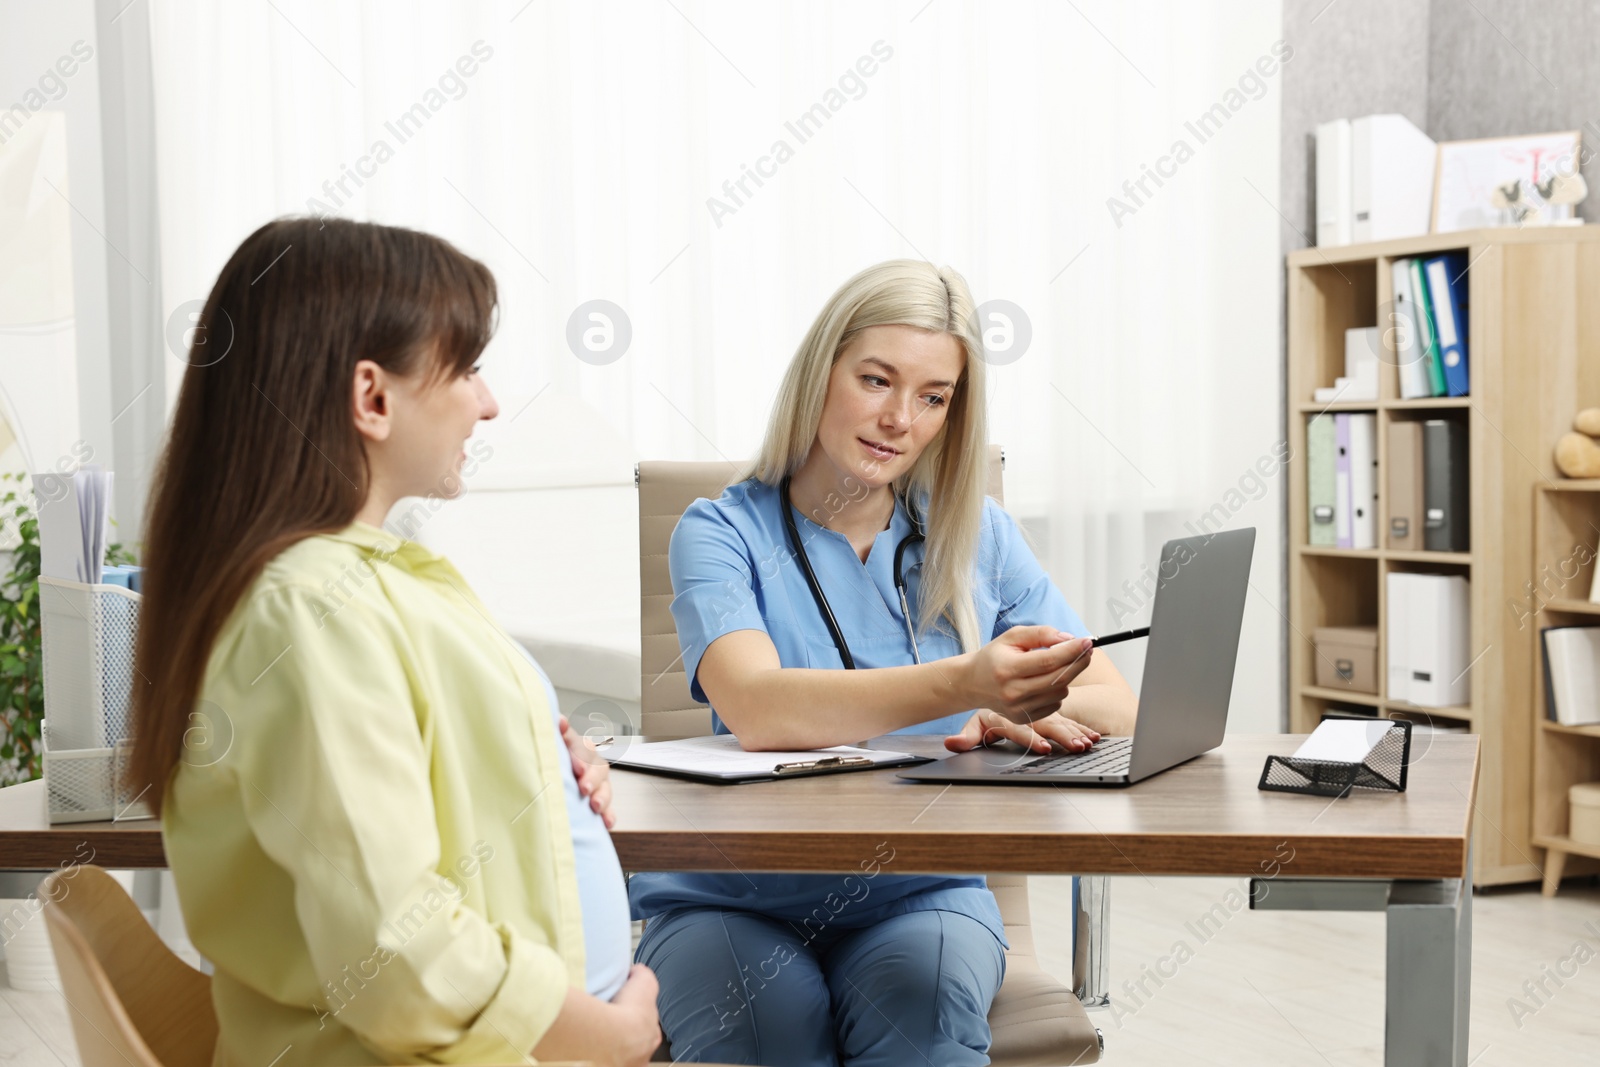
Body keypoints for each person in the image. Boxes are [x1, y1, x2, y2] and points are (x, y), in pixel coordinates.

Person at [129, 217, 661, 1067]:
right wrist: (612, 1034)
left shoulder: (356, 585)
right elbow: (393, 946)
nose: (487, 404)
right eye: (469, 369)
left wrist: (540, 761)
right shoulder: (308, 613)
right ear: (372, 398)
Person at [630, 259, 1139, 1067]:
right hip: (733, 895)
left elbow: (1115, 699)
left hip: (922, 889)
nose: (901, 418)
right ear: (819, 372)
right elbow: (759, 707)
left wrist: (1024, 709)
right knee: (766, 1038)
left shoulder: (977, 533)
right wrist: (968, 683)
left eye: (934, 397)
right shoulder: (720, 532)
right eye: (876, 380)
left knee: (923, 1032)